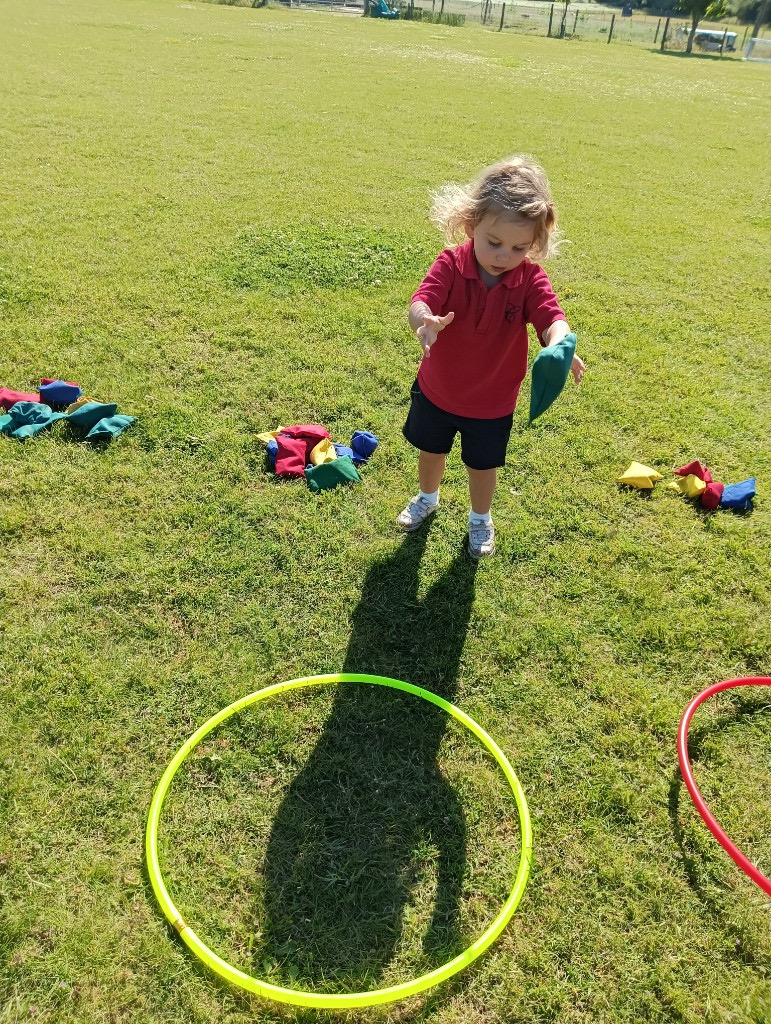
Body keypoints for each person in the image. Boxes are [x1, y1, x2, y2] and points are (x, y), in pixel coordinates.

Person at [396, 155, 585, 558]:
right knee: (431, 451)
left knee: (483, 466)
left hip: (493, 401)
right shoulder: (450, 263)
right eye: (494, 243)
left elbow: (551, 316)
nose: (504, 256)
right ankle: (427, 497)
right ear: (471, 226)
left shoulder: (530, 278)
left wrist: (560, 344)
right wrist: (423, 320)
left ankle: (480, 518)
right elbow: (422, 298)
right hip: (438, 389)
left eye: (519, 247)